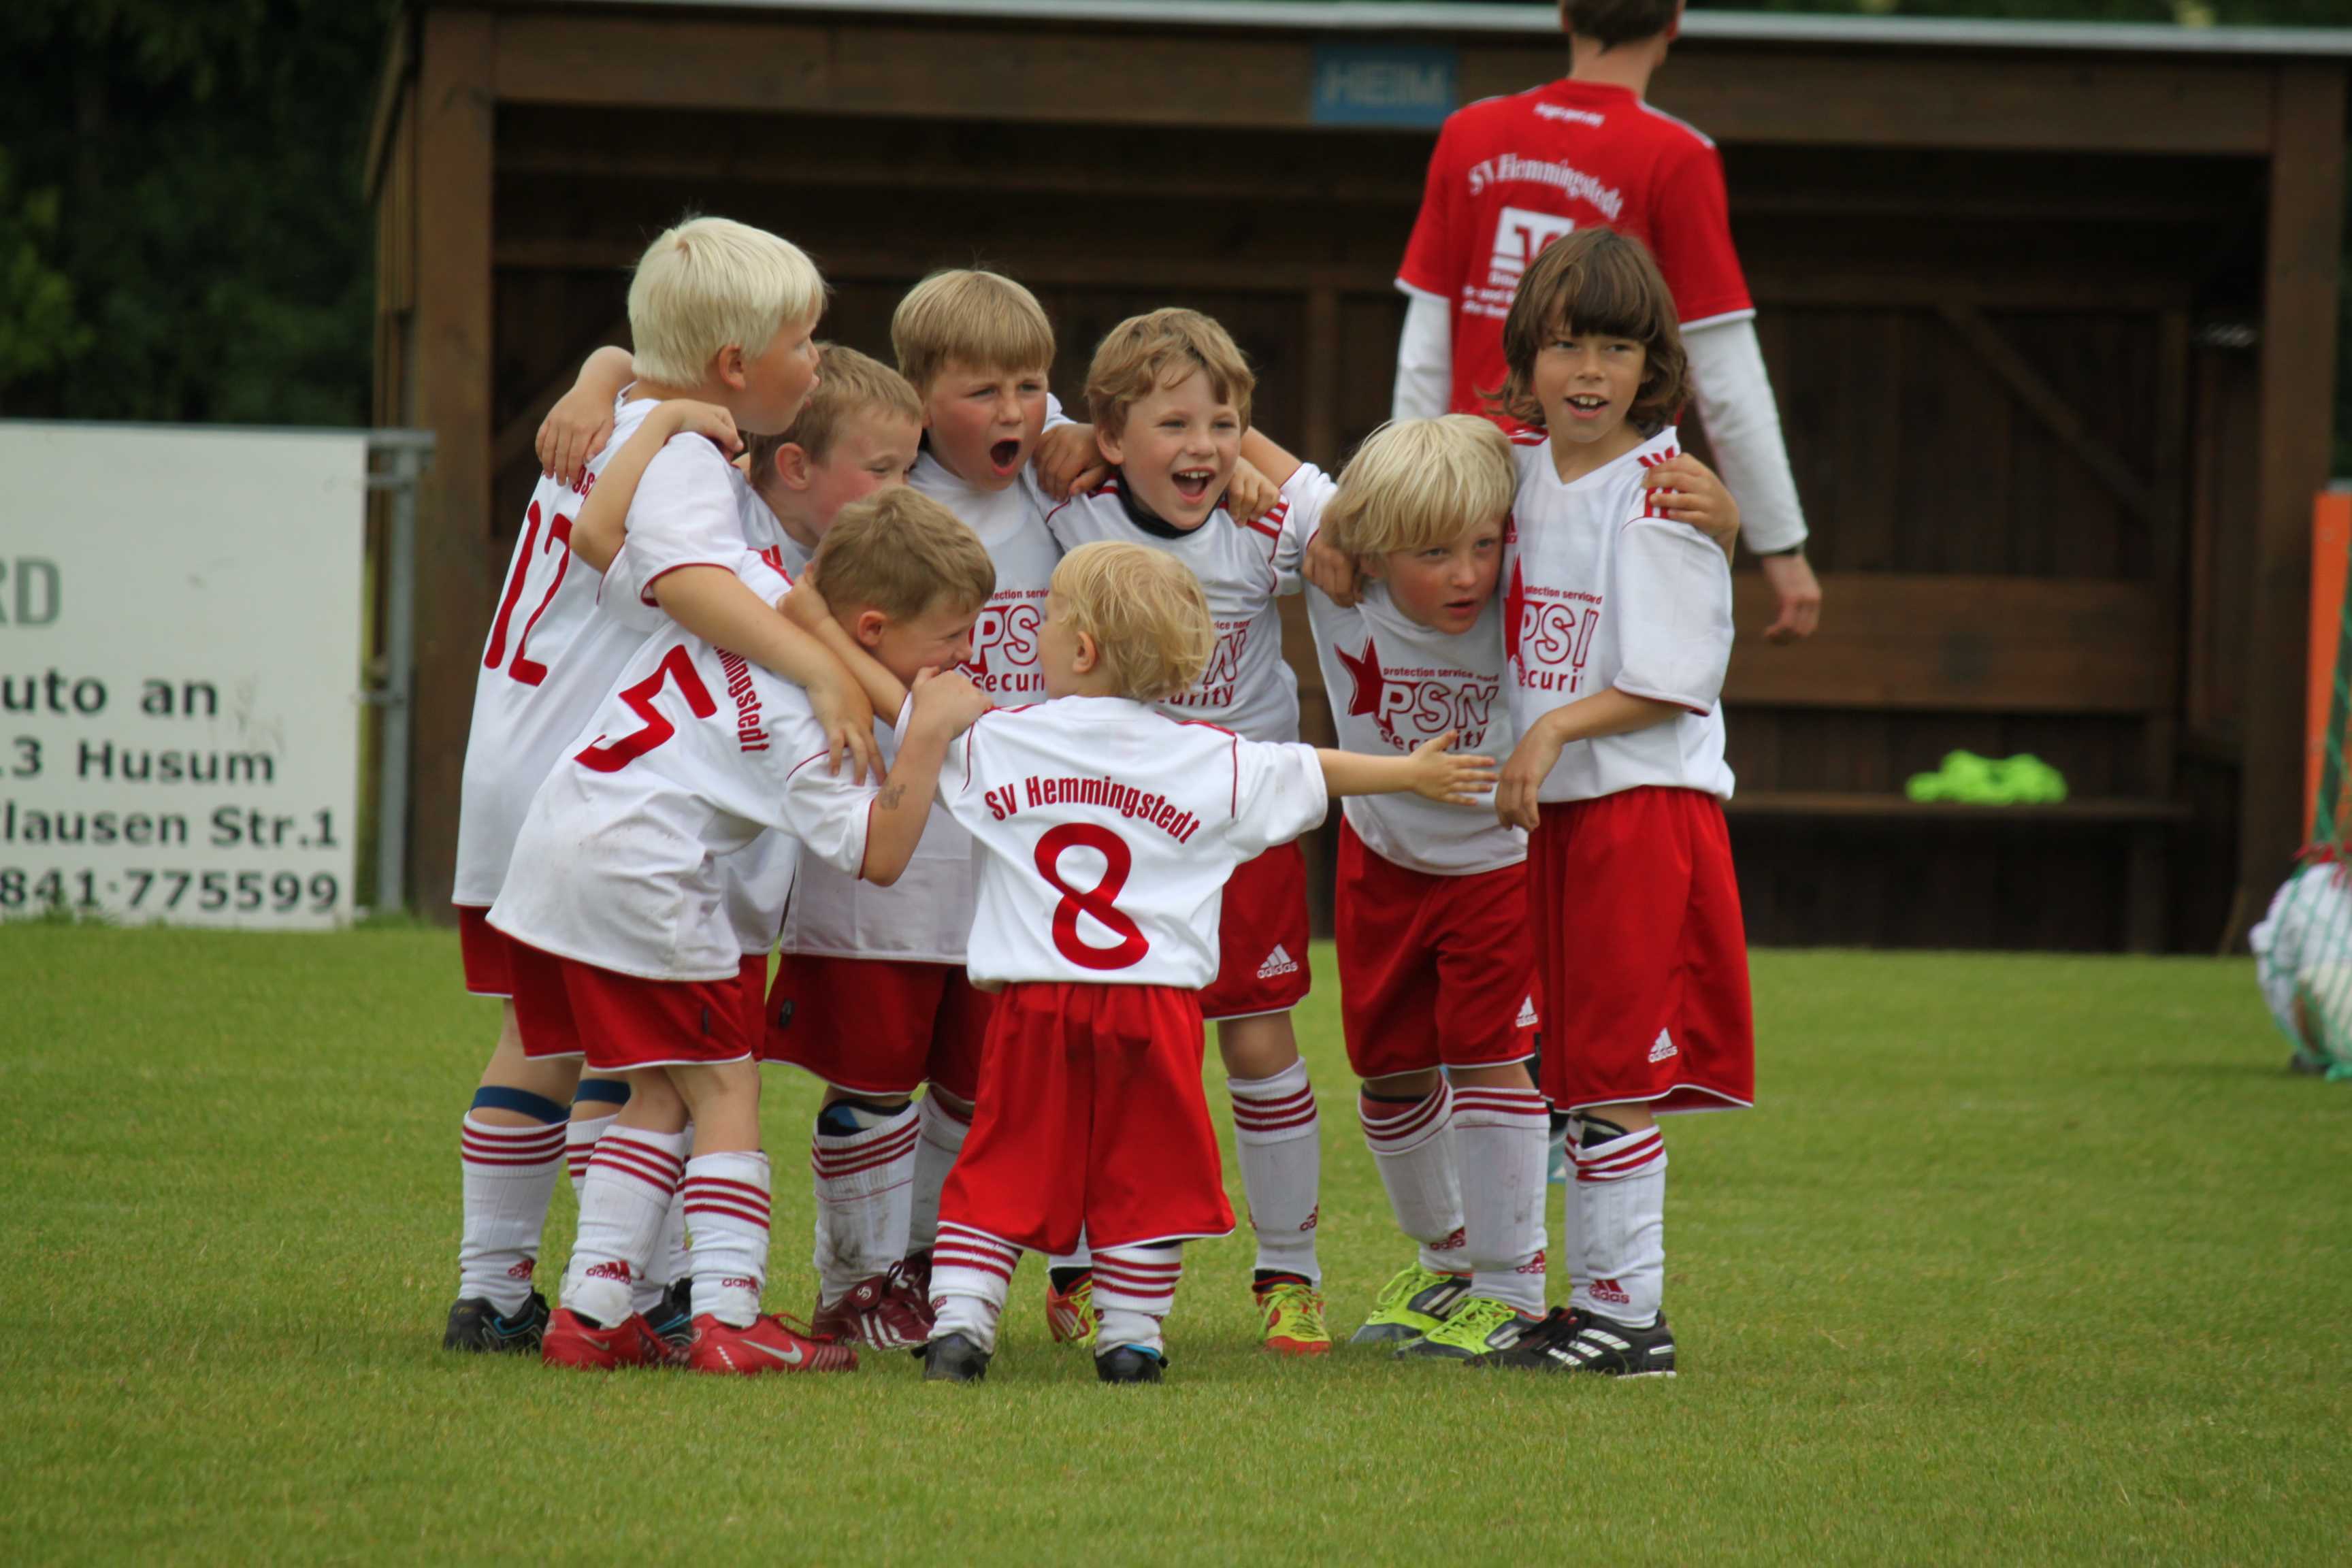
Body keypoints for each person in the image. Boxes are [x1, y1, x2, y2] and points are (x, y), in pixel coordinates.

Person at [802, 540, 1498, 1382]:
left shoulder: (1006, 739)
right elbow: (1310, 770)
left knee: (1004, 1161)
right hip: (1155, 1008)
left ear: (1082, 649)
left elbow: (917, 716)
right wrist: (1411, 772)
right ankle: (1131, 1338)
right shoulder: (1212, 757)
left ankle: (960, 1329)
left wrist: (821, 633)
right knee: (1145, 1174)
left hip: (1033, 1004)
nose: (1036, 631)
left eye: (1050, 616)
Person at [441, 216, 870, 1356]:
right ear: (733, 364)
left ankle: (506, 1289)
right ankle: (655, 1292)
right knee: (639, 1048)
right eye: (803, 341)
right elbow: (681, 578)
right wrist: (820, 669)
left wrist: (610, 373)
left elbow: (627, 409)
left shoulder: (631, 416)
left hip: (528, 768)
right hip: (592, 786)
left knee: (562, 1039)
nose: (816, 360)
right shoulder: (678, 454)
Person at [489, 487, 996, 1375]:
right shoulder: (809, 728)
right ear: (872, 628)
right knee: (728, 1086)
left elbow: (812, 612)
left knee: (659, 1089)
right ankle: (729, 1317)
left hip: (565, 849)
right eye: (951, 635)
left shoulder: (760, 595)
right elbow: (879, 855)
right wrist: (924, 743)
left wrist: (878, 674)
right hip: (646, 873)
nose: (965, 652)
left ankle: (591, 1312)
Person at [1477, 226, 1754, 1378]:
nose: (1588, 371)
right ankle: (1582, 1305)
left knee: (1615, 1072)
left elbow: (1672, 682)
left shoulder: (1665, 495)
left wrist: (1547, 729)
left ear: (1653, 367)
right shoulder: (1518, 469)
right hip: (1567, 813)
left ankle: (1628, 1316)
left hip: (1642, 810)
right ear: (1526, 359)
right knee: (1575, 1064)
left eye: (1616, 348)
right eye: (1564, 345)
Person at [1041, 308, 1341, 1354]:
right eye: (1173, 424)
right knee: (1105, 1050)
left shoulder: (1264, 524)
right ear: (1111, 437)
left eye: (1224, 423)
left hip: (1237, 824)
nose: (1204, 447)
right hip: (1112, 835)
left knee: (1258, 1040)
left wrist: (1266, 465)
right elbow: (993, 432)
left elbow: (1355, 531)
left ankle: (1292, 1274)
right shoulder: (1064, 512)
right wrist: (1061, 437)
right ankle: (1080, 1264)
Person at [1392, 0, 1820, 644]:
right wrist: (1782, 546)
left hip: (1467, 512)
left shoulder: (1469, 132)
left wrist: (1403, 507)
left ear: (1565, 13)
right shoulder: (1677, 155)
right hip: (1604, 506)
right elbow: (1727, 377)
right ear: (1674, 20)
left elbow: (1424, 355)